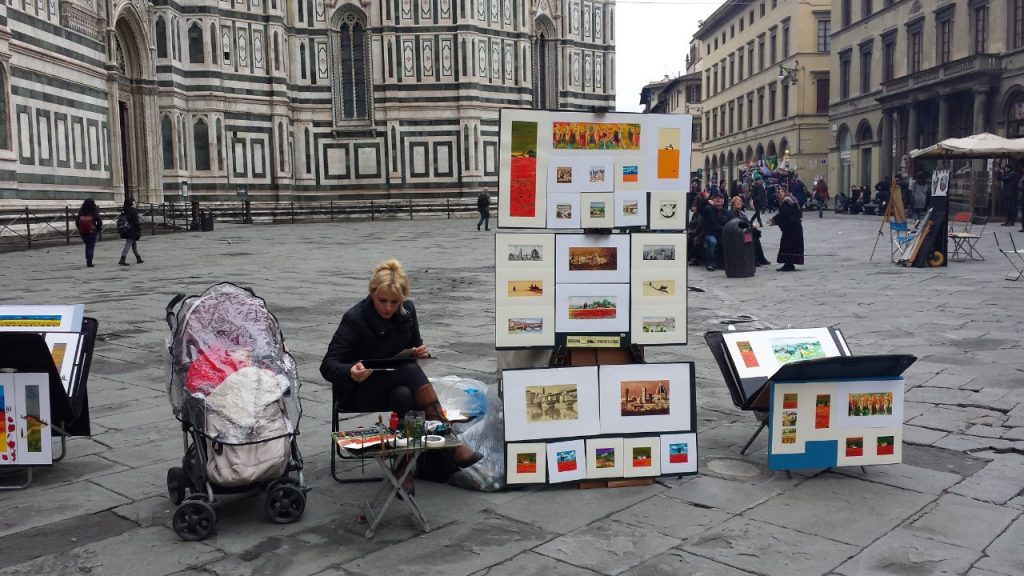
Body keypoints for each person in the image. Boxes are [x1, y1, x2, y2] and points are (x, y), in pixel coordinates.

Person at [320, 259, 482, 496]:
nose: (388, 307)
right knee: (408, 370)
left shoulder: (408, 311)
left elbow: (414, 345)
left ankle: (402, 469)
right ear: (372, 294)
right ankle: (450, 439)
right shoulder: (354, 318)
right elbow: (328, 365)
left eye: (394, 302)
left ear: (402, 300)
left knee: (405, 392)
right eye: (382, 301)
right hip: (359, 391)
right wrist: (350, 371)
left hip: (396, 387)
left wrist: (420, 351)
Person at [727, 196, 771, 266]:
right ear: (733, 204)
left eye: (740, 202)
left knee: (755, 238)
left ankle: (760, 258)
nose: (738, 203)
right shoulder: (731, 213)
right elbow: (737, 224)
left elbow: (747, 223)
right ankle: (755, 260)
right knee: (751, 238)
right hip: (737, 234)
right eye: (736, 202)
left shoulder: (742, 213)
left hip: (744, 232)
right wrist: (750, 226)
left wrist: (751, 225)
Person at [770, 186, 804, 271]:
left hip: (791, 228)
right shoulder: (791, 200)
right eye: (779, 192)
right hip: (794, 227)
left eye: (782, 191)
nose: (780, 193)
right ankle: (789, 264)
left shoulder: (787, 201)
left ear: (785, 192)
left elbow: (784, 214)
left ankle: (788, 264)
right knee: (791, 246)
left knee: (788, 245)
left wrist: (774, 219)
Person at [699, 193, 729, 271]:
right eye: (716, 197)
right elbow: (700, 209)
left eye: (720, 198)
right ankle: (710, 263)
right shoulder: (708, 210)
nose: (718, 199)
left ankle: (728, 262)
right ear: (712, 200)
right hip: (710, 234)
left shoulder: (727, 212)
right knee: (712, 241)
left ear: (723, 201)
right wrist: (705, 199)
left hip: (722, 234)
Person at [75, 198, 102, 268]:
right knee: (90, 246)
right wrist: (98, 229)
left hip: (83, 232)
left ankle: (88, 260)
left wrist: (80, 228)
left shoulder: (81, 211)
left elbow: (77, 221)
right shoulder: (94, 211)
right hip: (92, 231)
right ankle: (89, 262)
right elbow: (99, 221)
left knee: (87, 246)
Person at [118, 198, 143, 266]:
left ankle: (138, 258)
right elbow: (136, 221)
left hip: (126, 229)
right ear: (131, 203)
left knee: (133, 245)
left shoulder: (124, 210)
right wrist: (139, 229)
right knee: (128, 244)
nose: (135, 202)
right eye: (133, 202)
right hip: (132, 230)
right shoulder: (133, 210)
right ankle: (122, 259)